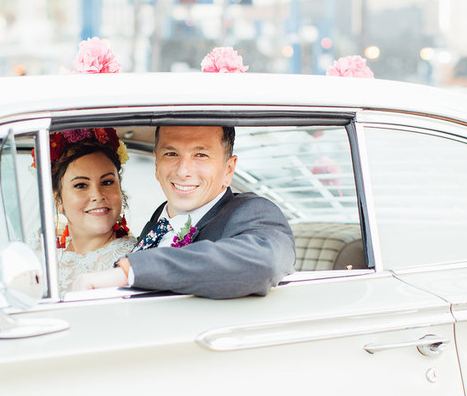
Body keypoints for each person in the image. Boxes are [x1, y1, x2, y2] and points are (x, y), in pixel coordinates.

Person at [69, 124, 295, 299]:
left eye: (201, 155)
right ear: (156, 165)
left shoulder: (250, 212)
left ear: (228, 170)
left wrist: (130, 271)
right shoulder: (161, 218)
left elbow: (264, 262)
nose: (184, 171)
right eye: (171, 154)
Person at [49, 127, 137, 295]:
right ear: (58, 200)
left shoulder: (130, 261)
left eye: (107, 182)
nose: (97, 196)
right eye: (81, 185)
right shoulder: (45, 248)